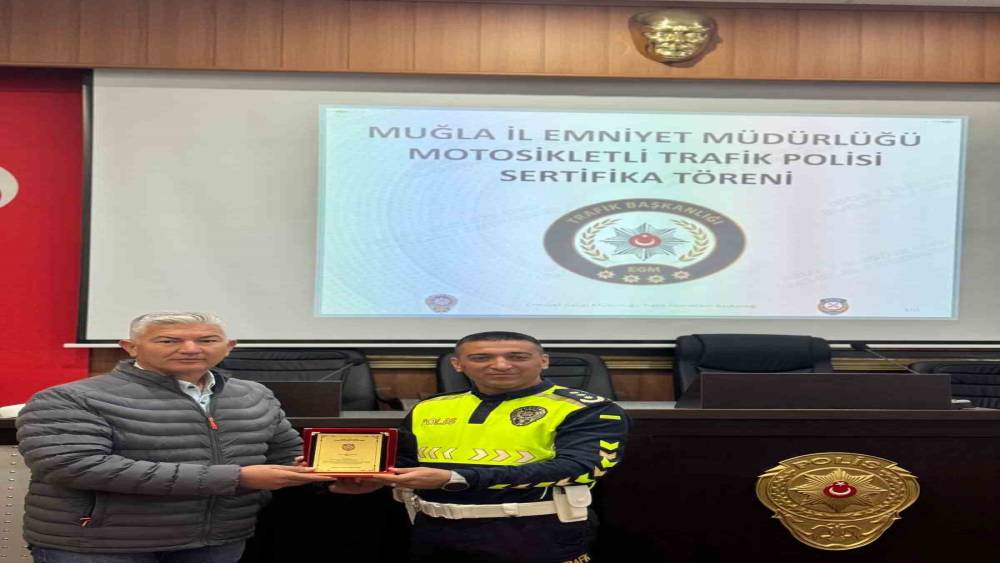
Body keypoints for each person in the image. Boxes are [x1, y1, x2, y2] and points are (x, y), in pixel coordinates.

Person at [16, 312, 335, 563]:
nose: (191, 349)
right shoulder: (69, 398)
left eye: (207, 340)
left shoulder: (254, 395)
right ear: (130, 347)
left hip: (217, 541)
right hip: (99, 545)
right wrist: (236, 478)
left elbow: (286, 456)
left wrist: (334, 478)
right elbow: (75, 466)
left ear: (229, 346)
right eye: (169, 340)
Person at [367, 331, 629, 563]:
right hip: (433, 533)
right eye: (481, 358)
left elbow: (579, 469)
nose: (501, 365)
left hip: (534, 533)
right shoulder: (429, 407)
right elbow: (404, 462)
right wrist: (370, 479)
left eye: (518, 357)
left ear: (543, 361)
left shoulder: (589, 409)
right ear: (457, 364)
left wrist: (457, 478)